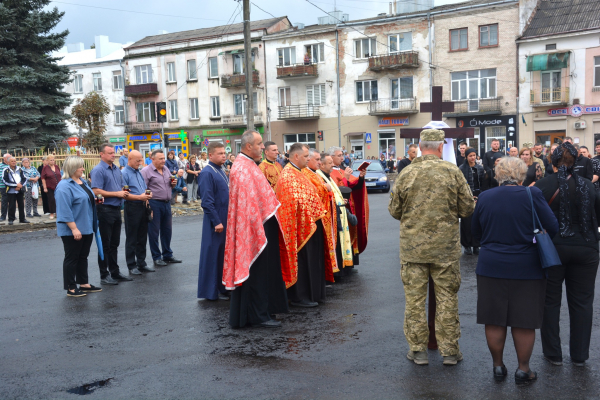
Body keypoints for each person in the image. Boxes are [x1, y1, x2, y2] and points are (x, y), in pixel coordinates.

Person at [388, 128, 475, 366]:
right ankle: (449, 352)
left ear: (420, 145)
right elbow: (468, 208)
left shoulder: (407, 173)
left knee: (415, 300)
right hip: (445, 250)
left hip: (413, 250)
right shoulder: (452, 171)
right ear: (440, 148)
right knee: (447, 299)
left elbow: (394, 210)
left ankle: (418, 351)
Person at [472, 157, 558, 384]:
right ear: (522, 174)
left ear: (498, 174)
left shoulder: (485, 197)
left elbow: (475, 232)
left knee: (494, 319)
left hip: (491, 264)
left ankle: (498, 367)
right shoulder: (532, 194)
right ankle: (523, 369)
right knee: (524, 320)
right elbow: (553, 227)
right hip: (527, 265)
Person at [535, 142, 600, 368]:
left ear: (552, 162)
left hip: (553, 247)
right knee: (582, 302)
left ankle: (553, 354)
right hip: (586, 247)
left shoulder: (542, 185)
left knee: (550, 302)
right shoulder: (588, 186)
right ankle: (580, 355)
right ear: (576, 163)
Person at [225, 130, 290, 328]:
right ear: (248, 146)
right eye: (260, 143)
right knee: (256, 273)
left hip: (260, 225)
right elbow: (246, 206)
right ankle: (257, 315)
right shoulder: (242, 168)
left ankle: (264, 310)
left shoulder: (248, 164)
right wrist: (256, 228)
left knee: (264, 271)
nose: (263, 147)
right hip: (253, 229)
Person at [277, 143, 327, 307]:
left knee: (312, 261)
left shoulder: (299, 172)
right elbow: (291, 202)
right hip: (299, 228)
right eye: (306, 156)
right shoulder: (287, 176)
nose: (308, 159)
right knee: (303, 262)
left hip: (310, 223)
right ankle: (300, 296)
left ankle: (314, 294)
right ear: (296, 156)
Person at [55, 156, 102, 297]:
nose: (83, 169)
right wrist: (74, 228)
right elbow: (64, 210)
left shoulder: (82, 182)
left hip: (87, 226)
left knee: (83, 256)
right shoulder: (64, 186)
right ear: (73, 168)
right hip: (73, 229)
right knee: (72, 257)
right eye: (80, 166)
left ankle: (83, 283)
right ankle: (70, 286)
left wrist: (94, 201)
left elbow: (85, 198)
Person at [91, 144, 132, 285]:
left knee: (115, 243)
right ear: (102, 154)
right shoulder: (98, 170)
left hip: (116, 209)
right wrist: (117, 193)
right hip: (104, 210)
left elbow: (120, 186)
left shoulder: (116, 169)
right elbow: (96, 191)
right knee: (105, 245)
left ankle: (115, 271)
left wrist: (123, 191)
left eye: (113, 153)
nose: (113, 155)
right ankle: (104, 274)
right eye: (109, 153)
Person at [197, 142, 230, 301]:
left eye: (224, 153)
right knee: (213, 254)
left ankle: (223, 287)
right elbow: (207, 202)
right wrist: (217, 221)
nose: (223, 155)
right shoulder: (207, 172)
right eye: (220, 153)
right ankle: (213, 290)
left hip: (225, 216)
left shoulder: (221, 170)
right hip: (216, 219)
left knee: (223, 254)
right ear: (210, 155)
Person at [328, 146, 369, 265]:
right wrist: (345, 177)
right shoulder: (330, 172)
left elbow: (353, 185)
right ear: (331, 157)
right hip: (340, 209)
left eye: (342, 155)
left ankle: (350, 261)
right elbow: (337, 189)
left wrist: (360, 177)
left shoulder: (342, 169)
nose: (342, 157)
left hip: (349, 206)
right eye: (339, 155)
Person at [141, 149, 182, 267]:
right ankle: (156, 257)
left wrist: (173, 184)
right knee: (154, 232)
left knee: (167, 230)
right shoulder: (146, 171)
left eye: (164, 158)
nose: (164, 160)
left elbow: (170, 183)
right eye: (161, 159)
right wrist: (148, 205)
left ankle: (167, 254)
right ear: (152, 159)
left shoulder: (166, 169)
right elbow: (144, 189)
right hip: (154, 203)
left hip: (166, 203)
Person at [303, 149, 338, 283]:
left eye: (319, 160)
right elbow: (311, 191)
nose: (319, 162)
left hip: (325, 215)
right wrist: (325, 188)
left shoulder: (315, 173)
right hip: (316, 218)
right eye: (316, 160)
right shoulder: (306, 173)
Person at [318, 153, 353, 274]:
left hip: (338, 210)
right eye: (330, 163)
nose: (333, 164)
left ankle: (343, 266)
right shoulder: (319, 176)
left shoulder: (327, 175)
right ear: (321, 165)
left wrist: (339, 199)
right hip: (331, 214)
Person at [122, 150, 154, 276]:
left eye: (141, 160)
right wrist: (139, 197)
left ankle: (142, 263)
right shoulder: (124, 173)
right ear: (130, 159)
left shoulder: (138, 172)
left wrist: (148, 196)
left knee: (142, 236)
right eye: (138, 160)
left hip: (143, 205)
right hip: (132, 206)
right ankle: (131, 265)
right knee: (132, 237)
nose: (140, 163)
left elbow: (143, 188)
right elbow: (125, 194)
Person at [459, 148, 488, 255]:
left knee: (478, 222)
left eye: (474, 155)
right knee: (466, 222)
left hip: (479, 196)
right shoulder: (462, 168)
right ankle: (467, 245)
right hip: (466, 198)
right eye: (470, 155)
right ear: (466, 157)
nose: (472, 157)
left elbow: (483, 183)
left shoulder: (480, 168)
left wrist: (480, 195)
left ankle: (476, 245)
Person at [2, 157, 28, 225]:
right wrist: (15, 185)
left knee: (21, 205)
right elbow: (5, 180)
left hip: (19, 190)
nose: (13, 162)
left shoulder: (19, 169)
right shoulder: (6, 170)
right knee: (11, 206)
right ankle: (11, 219)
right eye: (12, 161)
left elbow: (24, 178)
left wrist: (20, 185)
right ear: (8, 162)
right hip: (11, 191)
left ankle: (22, 219)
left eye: (14, 161)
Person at [41, 154, 61, 220]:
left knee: (58, 199)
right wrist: (45, 187)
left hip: (58, 186)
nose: (52, 161)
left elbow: (59, 175)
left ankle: (57, 213)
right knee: (51, 199)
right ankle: (52, 213)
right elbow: (43, 178)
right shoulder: (45, 168)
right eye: (51, 160)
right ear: (48, 161)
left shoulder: (56, 166)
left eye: (53, 160)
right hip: (50, 186)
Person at [0, 153, 11, 222]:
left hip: (11, 186)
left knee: (11, 201)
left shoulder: (11, 165)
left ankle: (11, 215)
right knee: (4, 201)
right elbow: (1, 177)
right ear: (4, 159)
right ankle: (3, 216)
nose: (9, 159)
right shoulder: (0, 166)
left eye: (10, 157)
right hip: (3, 186)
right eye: (8, 158)